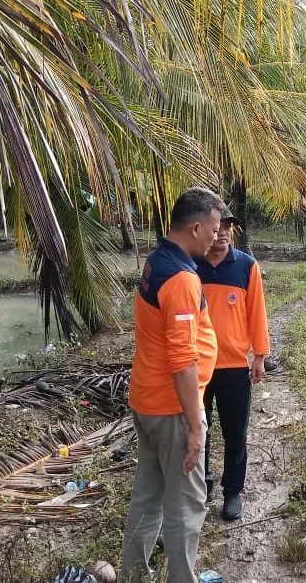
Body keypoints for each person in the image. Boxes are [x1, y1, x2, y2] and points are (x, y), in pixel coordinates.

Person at [121, 188, 226, 583]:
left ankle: (134, 574)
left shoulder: (159, 260)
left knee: (148, 495)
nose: (216, 237)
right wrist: (195, 425)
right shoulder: (181, 279)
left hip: (147, 399)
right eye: (214, 230)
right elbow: (183, 359)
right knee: (186, 503)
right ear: (196, 227)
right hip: (171, 409)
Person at [196, 207, 272, 521]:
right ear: (206, 229)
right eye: (219, 226)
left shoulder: (245, 266)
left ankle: (232, 491)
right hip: (197, 365)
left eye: (229, 226)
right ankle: (204, 484)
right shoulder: (192, 265)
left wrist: (260, 356)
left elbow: (257, 313)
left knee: (235, 431)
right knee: (200, 429)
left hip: (233, 365)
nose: (224, 232)